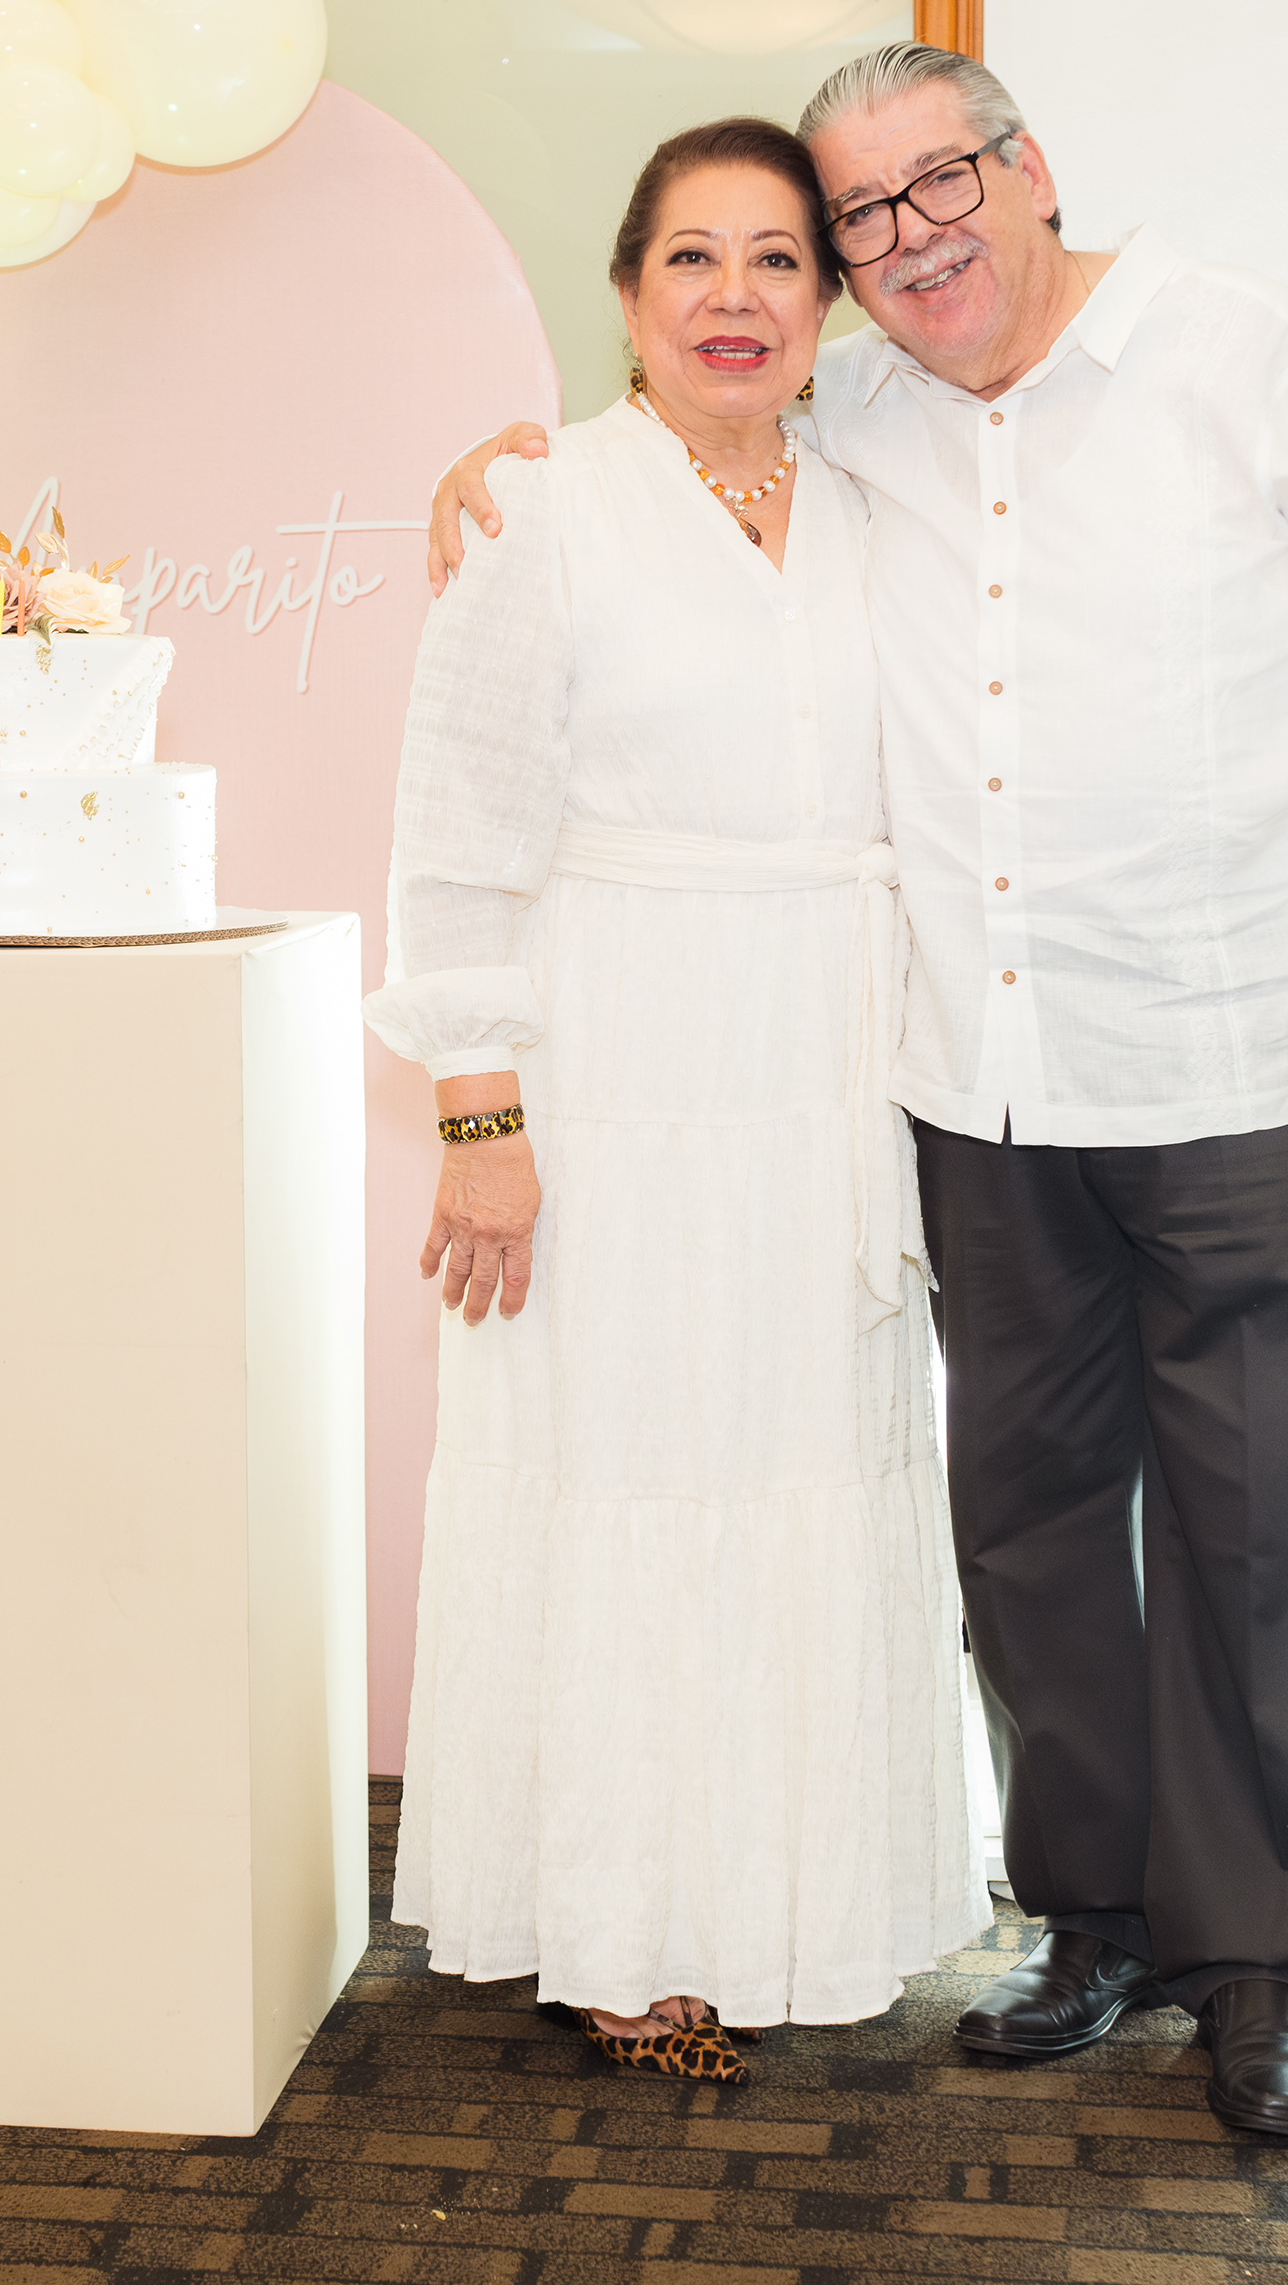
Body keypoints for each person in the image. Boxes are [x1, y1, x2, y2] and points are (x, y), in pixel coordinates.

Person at [429, 45, 1288, 2137]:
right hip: (980, 1088)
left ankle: (1264, 1960)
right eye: (862, 216)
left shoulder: (1253, 365)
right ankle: (1092, 1914)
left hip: (1242, 1063)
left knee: (1266, 1532)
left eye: (938, 186)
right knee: (1028, 1531)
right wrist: (510, 464)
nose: (905, 239)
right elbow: (690, 432)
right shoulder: (861, 410)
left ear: (1030, 170)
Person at [365, 116, 988, 2083]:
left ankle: (788, 1904)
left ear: (831, 302)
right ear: (626, 295)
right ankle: (618, 1925)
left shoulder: (880, 499)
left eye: (779, 259)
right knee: (627, 1471)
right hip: (615, 1067)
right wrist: (483, 1125)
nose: (735, 297)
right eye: (691, 259)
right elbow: (455, 845)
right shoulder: (544, 511)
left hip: (828, 1076)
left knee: (797, 1469)